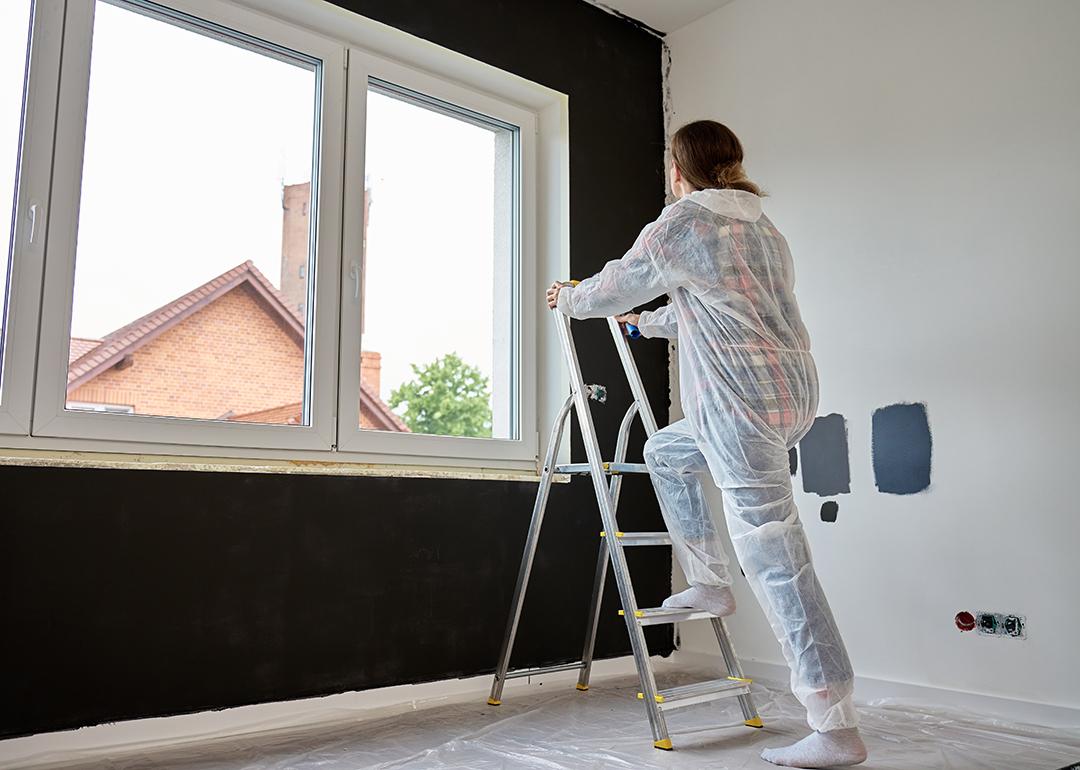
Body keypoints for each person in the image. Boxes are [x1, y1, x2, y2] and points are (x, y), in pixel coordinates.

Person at [545, 121, 867, 769]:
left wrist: (570, 297)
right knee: (666, 453)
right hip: (788, 395)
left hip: (739, 407)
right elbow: (723, 306)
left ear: (677, 168)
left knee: (779, 560)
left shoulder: (680, 224)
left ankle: (835, 726)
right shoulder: (761, 229)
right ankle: (710, 582)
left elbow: (616, 285)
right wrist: (649, 326)